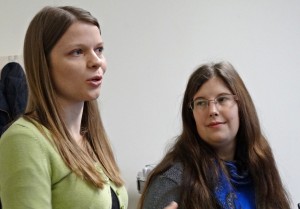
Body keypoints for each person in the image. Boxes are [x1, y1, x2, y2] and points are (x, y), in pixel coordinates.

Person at [0, 6, 128, 209]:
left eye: (99, 50)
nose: (96, 62)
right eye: (77, 52)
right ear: (44, 65)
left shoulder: (93, 138)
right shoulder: (24, 140)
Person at [138, 61, 291, 209]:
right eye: (201, 103)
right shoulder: (172, 181)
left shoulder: (261, 167)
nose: (212, 110)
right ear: (191, 115)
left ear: (241, 106)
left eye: (222, 99)